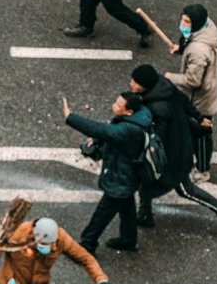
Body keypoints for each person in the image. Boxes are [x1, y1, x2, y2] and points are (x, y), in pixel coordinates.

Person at [130, 64, 217, 235]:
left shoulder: (156, 108)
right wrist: (199, 118)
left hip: (174, 156)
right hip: (182, 144)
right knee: (146, 184)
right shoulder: (166, 87)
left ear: (145, 85)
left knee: (185, 189)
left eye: (135, 82)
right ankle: (145, 213)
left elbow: (157, 139)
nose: (131, 84)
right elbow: (185, 102)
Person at [63, 92, 153, 253]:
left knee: (103, 213)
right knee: (127, 207)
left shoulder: (128, 129)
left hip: (119, 177)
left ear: (128, 111)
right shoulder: (138, 119)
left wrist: (71, 117)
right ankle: (128, 239)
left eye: (118, 104)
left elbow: (102, 131)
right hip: (128, 175)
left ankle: (87, 243)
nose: (114, 105)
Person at [164, 4, 217, 184]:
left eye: (187, 21)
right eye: (183, 19)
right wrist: (180, 48)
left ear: (196, 23)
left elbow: (193, 81)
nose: (183, 24)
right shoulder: (207, 28)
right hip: (202, 94)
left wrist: (170, 77)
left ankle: (203, 169)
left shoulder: (198, 51)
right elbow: (188, 39)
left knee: (201, 134)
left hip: (199, 100)